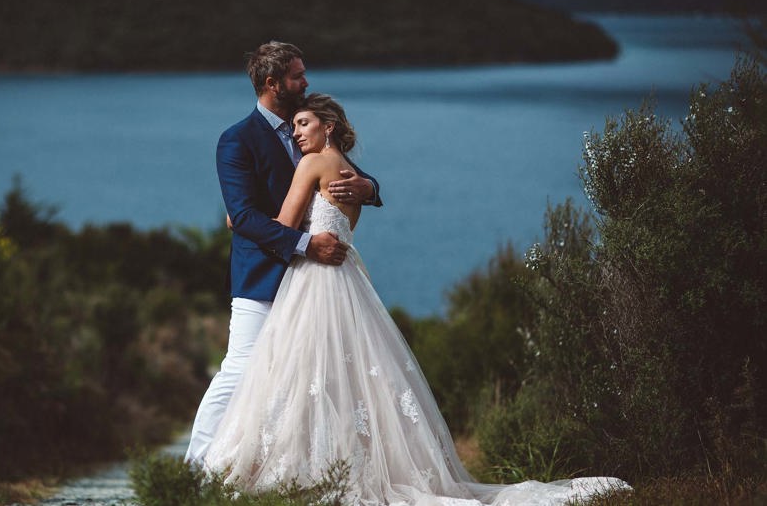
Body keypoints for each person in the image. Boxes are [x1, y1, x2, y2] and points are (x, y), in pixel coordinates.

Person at [202, 94, 630, 505]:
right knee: (342, 378)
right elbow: (352, 201)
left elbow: (282, 224)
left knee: (293, 373)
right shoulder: (346, 171)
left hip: (312, 280)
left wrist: (237, 220)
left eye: (304, 124)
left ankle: (295, 467)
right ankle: (336, 465)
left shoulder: (314, 163)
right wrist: (367, 187)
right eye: (294, 124)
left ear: (327, 127)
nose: (296, 133)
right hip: (348, 281)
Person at [184, 41, 382, 464]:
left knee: (307, 379)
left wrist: (369, 188)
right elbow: (243, 217)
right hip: (261, 278)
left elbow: (348, 170)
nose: (305, 81)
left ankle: (282, 469)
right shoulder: (236, 140)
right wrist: (306, 244)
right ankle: (197, 469)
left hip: (312, 286)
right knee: (240, 373)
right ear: (273, 84)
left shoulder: (308, 125)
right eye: (297, 75)